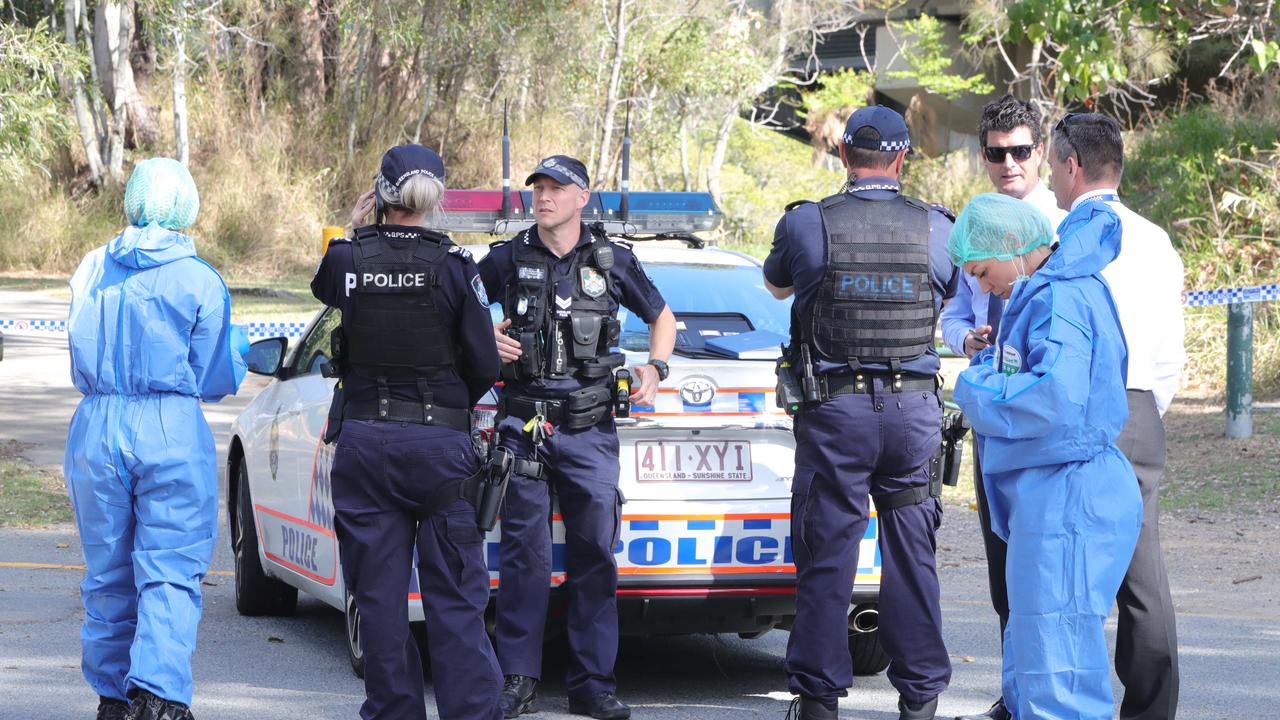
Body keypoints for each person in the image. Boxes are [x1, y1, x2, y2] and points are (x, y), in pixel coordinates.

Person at [764, 105, 957, 720]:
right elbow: (951, 290)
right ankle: (921, 701)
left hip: (836, 414)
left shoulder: (805, 224)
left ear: (843, 156)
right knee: (912, 560)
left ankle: (819, 704)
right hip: (912, 416)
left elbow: (776, 285)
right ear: (902, 159)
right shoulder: (938, 229)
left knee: (828, 560)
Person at [478, 155, 675, 720]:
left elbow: (663, 319)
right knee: (523, 557)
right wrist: (486, 335)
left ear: (582, 196)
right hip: (523, 426)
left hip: (591, 425)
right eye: (538, 188)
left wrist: (654, 370)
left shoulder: (612, 259)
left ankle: (593, 684)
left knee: (594, 555)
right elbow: (458, 307)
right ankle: (518, 679)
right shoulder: (508, 256)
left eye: (556, 189)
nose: (543, 197)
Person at [310, 144, 504, 720]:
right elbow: (487, 363)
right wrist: (450, 408)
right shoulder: (452, 266)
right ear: (437, 197)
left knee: (379, 605)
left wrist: (351, 225)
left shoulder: (348, 258)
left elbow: (325, 287)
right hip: (440, 448)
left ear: (381, 193)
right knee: (454, 603)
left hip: (366, 445)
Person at [64, 157, 247, 720]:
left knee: (108, 571)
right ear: (185, 206)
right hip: (169, 427)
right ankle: (160, 696)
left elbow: (75, 348)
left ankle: (112, 699)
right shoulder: (200, 278)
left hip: (95, 427)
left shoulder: (91, 268)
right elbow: (216, 374)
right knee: (169, 565)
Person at [952, 191, 1143, 720]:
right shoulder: (1051, 291)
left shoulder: (1059, 297)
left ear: (1013, 245)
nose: (983, 285)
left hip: (1067, 492)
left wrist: (975, 388)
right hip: (1057, 490)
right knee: (1039, 637)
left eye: (983, 270)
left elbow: (1056, 397)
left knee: (1057, 655)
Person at [1046, 112, 1185, 720]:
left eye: (1052, 165)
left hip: (1078, 412)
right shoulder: (1156, 239)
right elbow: (1170, 354)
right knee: (1141, 577)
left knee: (1062, 574)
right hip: (1139, 410)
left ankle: (1068, 704)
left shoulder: (1067, 239)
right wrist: (1144, 411)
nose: (1050, 179)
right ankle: (1153, 710)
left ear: (1072, 166)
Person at [947, 94, 1065, 720]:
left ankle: (1055, 696)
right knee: (1002, 572)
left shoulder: (1063, 229)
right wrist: (964, 339)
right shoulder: (975, 225)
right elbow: (955, 312)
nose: (1009, 163)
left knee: (1049, 574)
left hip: (1041, 429)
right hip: (993, 420)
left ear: (1041, 152)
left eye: (1020, 151)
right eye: (996, 154)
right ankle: (1016, 693)